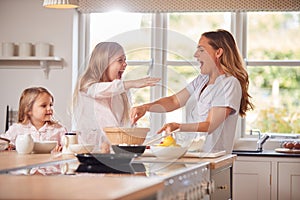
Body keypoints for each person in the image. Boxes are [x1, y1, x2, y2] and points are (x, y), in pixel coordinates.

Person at [130, 29, 254, 154]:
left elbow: (210, 124)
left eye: (201, 50)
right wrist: (145, 107)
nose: (196, 54)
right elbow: (173, 101)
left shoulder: (229, 83)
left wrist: (179, 127)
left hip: (213, 159)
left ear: (218, 52)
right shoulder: (202, 80)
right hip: (191, 156)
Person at [72, 42, 160, 153]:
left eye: (125, 60)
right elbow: (101, 90)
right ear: (104, 63)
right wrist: (132, 83)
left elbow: (125, 125)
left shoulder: (122, 92)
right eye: (120, 60)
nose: (125, 64)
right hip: (91, 153)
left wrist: (136, 140)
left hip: (116, 154)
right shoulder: (87, 86)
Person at [2, 87, 67, 152]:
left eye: (51, 105)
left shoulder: (59, 130)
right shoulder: (17, 129)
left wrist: (62, 150)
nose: (49, 108)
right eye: (44, 106)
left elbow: (69, 148)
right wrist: (8, 146)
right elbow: (3, 142)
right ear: (29, 110)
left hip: (51, 161)